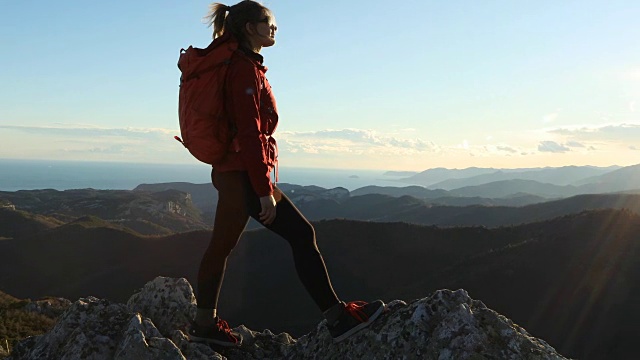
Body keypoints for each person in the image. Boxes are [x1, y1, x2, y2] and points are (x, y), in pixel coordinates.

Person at [188, 0, 385, 347]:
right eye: (269, 23)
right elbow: (250, 133)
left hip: (231, 172)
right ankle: (338, 318)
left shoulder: (237, 64)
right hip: (245, 175)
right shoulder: (244, 69)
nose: (274, 29)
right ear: (250, 28)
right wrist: (263, 190)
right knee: (302, 235)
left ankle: (204, 326)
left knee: (220, 248)